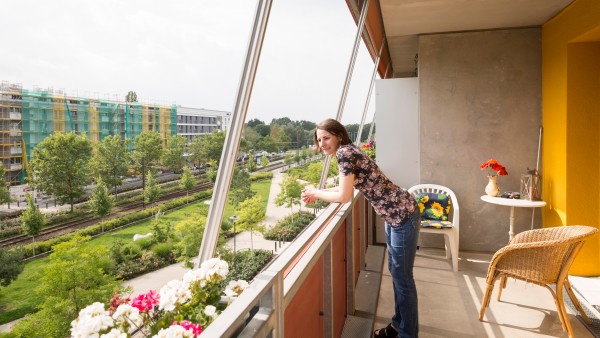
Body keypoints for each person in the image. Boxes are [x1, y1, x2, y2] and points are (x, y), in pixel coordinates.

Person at [301, 118, 420, 338]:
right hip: (395, 217)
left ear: (338, 135)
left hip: (402, 215)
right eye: (319, 140)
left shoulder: (344, 153)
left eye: (326, 137)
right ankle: (398, 325)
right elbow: (348, 183)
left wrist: (316, 194)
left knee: (403, 279)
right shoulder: (348, 151)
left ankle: (408, 334)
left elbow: (344, 196)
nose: (323, 143)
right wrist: (318, 190)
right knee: (397, 275)